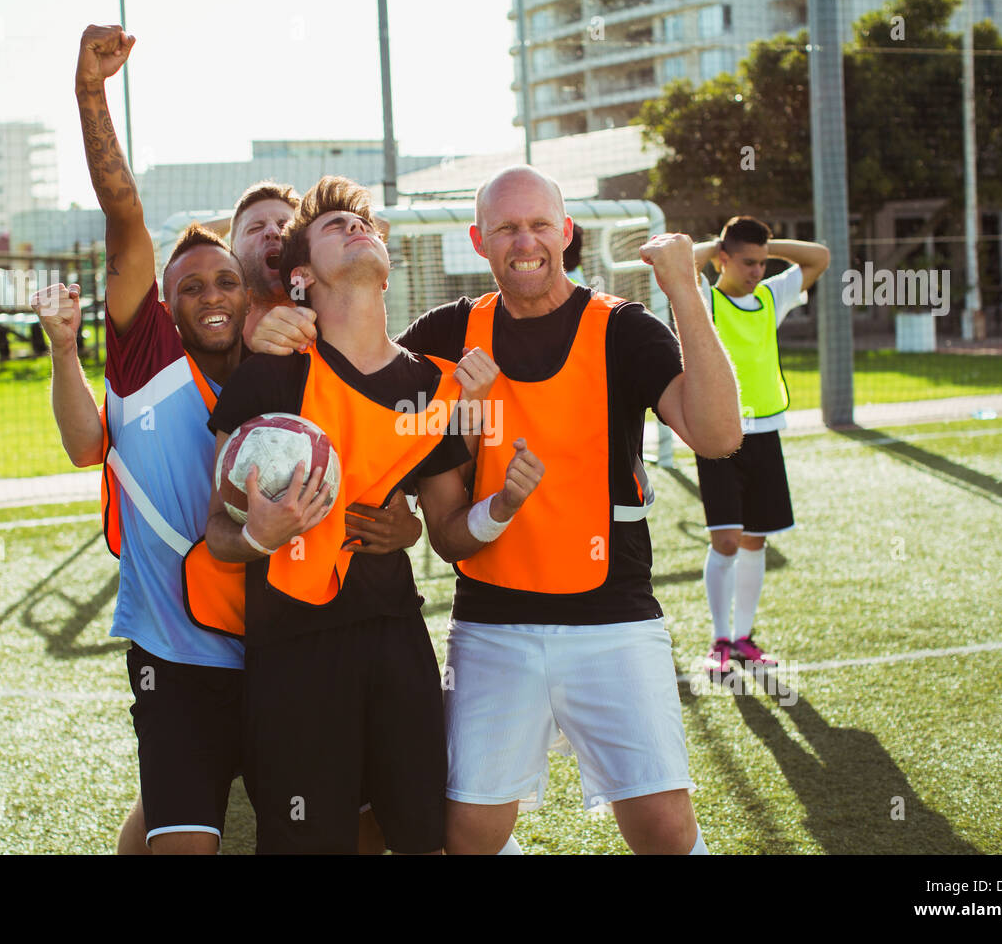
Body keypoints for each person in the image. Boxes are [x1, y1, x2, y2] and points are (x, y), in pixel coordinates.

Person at [249, 165, 742, 854]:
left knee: (663, 828)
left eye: (540, 224)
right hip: (492, 624)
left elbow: (720, 437)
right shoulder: (448, 335)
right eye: (507, 228)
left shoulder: (622, 329)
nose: (526, 242)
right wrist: (279, 324)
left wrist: (685, 291)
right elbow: (358, 369)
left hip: (613, 614)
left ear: (567, 234)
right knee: (463, 834)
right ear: (481, 242)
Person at [36, 25, 419, 854]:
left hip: (289, 645)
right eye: (193, 284)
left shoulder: (295, 364)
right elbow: (124, 212)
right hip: (180, 653)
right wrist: (91, 94)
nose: (214, 292)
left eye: (229, 278)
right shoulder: (150, 355)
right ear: (165, 303)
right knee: (185, 825)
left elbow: (387, 463)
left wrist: (404, 526)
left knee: (344, 820)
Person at [204, 175, 543, 854]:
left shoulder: (434, 384)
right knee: (307, 840)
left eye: (363, 226)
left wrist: (498, 505)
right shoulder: (270, 375)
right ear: (300, 277)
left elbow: (448, 536)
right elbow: (217, 534)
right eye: (335, 227)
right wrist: (258, 534)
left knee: (421, 834)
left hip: (396, 637)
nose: (356, 230)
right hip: (292, 648)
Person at [690, 217, 829, 677]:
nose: (757, 271)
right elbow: (680, 264)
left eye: (763, 262)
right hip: (719, 434)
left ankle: (745, 639)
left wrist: (765, 246)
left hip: (766, 434)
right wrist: (715, 245)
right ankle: (719, 642)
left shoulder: (771, 297)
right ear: (723, 260)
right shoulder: (705, 299)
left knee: (755, 539)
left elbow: (819, 258)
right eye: (747, 262)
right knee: (726, 540)